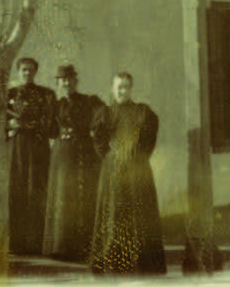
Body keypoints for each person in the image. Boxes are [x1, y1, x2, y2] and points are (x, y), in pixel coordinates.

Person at [88, 71, 166, 275]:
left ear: (131, 89)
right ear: (112, 89)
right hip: (113, 169)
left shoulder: (143, 112)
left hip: (137, 169)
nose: (123, 91)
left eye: (126, 87)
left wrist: (138, 157)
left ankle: (141, 262)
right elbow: (99, 141)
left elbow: (150, 140)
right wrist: (112, 157)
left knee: (139, 213)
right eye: (119, 87)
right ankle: (114, 262)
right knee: (114, 212)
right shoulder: (105, 113)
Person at [42, 63, 101, 261]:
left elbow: (102, 117)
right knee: (61, 196)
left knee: (81, 197)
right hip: (61, 154)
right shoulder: (55, 105)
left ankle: (82, 247)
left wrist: (91, 132)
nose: (66, 83)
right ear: (58, 83)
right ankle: (60, 247)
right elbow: (49, 130)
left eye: (70, 80)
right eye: (62, 80)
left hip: (82, 153)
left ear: (76, 81)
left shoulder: (89, 101)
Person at [6, 56, 56, 255]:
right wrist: (9, 125)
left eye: (30, 70)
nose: (27, 73)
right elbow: (0, 121)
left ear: (36, 72)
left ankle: (36, 244)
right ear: (18, 72)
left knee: (37, 191)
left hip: (37, 148)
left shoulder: (46, 95)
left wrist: (25, 125)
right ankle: (16, 244)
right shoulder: (9, 94)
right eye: (23, 70)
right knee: (16, 191)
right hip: (17, 149)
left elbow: (49, 122)